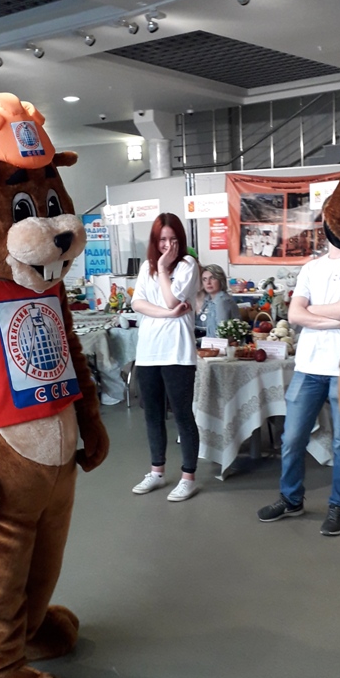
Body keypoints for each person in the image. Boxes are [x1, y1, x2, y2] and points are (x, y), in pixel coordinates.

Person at [257, 212, 340, 534]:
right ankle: (291, 499)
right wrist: (334, 316)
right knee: (292, 438)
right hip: (308, 367)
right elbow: (295, 315)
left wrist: (311, 312)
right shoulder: (311, 268)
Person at [131, 213, 201, 501]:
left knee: (182, 414)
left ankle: (188, 477)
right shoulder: (145, 267)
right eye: (162, 240)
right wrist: (169, 314)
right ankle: (156, 472)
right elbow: (137, 303)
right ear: (155, 240)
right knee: (152, 413)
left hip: (178, 352)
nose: (168, 245)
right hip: (148, 352)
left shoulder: (187, 264)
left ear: (180, 240)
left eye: (173, 239)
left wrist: (162, 270)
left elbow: (172, 298)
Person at [195, 264, 241, 338]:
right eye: (204, 279)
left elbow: (221, 334)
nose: (208, 283)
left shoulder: (222, 301)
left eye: (212, 278)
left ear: (220, 280)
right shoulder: (209, 299)